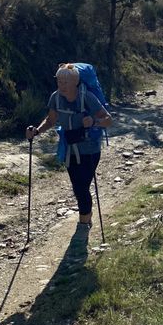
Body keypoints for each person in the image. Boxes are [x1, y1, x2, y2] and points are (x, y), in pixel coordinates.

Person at [25, 63, 112, 230]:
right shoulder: (55, 97)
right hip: (69, 149)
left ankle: (84, 222)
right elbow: (50, 121)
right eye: (59, 82)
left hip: (90, 149)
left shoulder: (87, 98)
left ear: (75, 82)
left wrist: (94, 121)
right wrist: (36, 131)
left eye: (65, 83)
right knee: (77, 186)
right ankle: (86, 216)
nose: (62, 86)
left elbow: (108, 120)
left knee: (81, 186)